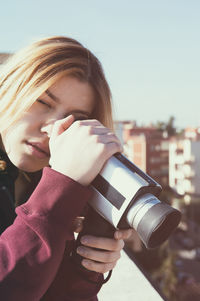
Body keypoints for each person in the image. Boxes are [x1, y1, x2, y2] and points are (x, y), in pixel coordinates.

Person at [0, 36, 132, 300]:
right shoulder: (56, 187)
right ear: (8, 88)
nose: (52, 130)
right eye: (43, 102)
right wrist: (56, 194)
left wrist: (82, 268)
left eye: (75, 120)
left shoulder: (44, 182)